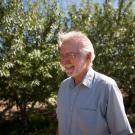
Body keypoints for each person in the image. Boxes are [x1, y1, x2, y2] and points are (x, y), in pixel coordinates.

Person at [56, 31, 133, 135]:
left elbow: (122, 132)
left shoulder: (106, 87)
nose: (64, 61)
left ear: (88, 56)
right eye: (62, 55)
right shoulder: (64, 86)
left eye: (71, 55)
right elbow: (61, 125)